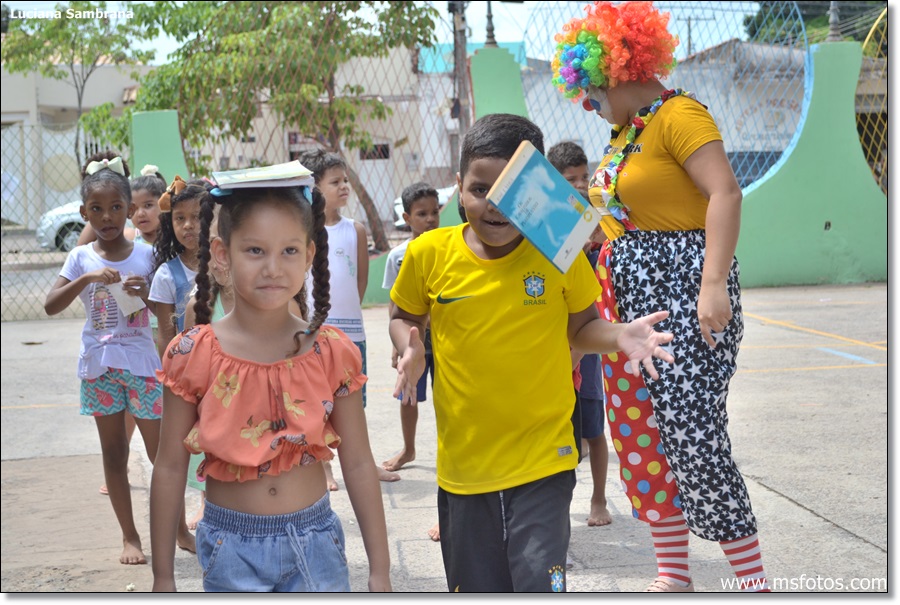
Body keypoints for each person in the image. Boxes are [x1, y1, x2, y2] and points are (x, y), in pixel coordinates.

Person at [388, 113, 674, 592]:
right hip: (465, 468)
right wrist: (409, 347)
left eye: (510, 191)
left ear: (537, 189)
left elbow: (582, 327)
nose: (494, 205)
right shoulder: (428, 254)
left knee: (543, 582)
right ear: (458, 186)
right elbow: (403, 316)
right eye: (480, 189)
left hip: (546, 460)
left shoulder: (559, 250)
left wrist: (619, 335)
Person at [552, 1, 770, 592]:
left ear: (615, 71)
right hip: (626, 292)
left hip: (683, 287)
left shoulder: (680, 115)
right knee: (639, 433)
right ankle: (674, 572)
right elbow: (623, 216)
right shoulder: (626, 134)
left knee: (694, 432)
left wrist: (713, 284)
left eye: (591, 94)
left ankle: (752, 581)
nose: (589, 105)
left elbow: (725, 192)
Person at [149, 181, 391, 593]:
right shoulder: (192, 353)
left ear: (310, 255)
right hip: (231, 548)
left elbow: (357, 463)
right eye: (255, 250)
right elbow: (170, 466)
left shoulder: (332, 352)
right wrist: (163, 577)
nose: (273, 268)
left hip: (316, 544)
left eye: (289, 250)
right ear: (222, 254)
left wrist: (380, 570)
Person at [43, 152, 194, 564]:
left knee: (162, 454)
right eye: (96, 209)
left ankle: (179, 529)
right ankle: (130, 537)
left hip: (143, 366)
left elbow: (164, 310)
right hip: (100, 367)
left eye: (115, 208)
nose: (106, 217)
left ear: (128, 210)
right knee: (114, 454)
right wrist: (87, 278)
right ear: (83, 213)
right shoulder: (81, 258)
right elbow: (51, 305)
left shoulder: (147, 256)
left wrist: (145, 292)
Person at [300, 149, 400, 486]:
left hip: (350, 334)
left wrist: (347, 324)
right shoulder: (304, 231)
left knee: (353, 404)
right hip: (315, 330)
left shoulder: (355, 230)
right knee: (317, 403)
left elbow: (359, 282)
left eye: (345, 180)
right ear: (315, 187)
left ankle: (363, 464)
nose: (344, 186)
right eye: (335, 182)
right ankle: (324, 466)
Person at [547, 141, 612, 528]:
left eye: (584, 177)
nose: (580, 185)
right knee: (562, 435)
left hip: (584, 344)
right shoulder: (547, 229)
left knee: (593, 427)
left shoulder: (597, 223)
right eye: (570, 179)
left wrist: (596, 236)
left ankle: (599, 498)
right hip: (553, 345)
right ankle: (557, 508)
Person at [96, 165, 167, 496]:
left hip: (164, 336)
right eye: (134, 207)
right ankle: (118, 465)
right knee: (125, 409)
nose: (141, 214)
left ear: (164, 206)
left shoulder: (170, 245)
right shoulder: (125, 243)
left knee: (162, 412)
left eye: (149, 205)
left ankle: (181, 479)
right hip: (134, 341)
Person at [380, 181, 442, 541]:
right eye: (422, 214)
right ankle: (409, 448)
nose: (430, 219)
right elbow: (395, 302)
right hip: (413, 342)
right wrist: (397, 344)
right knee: (409, 396)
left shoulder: (446, 248)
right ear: (407, 217)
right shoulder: (398, 256)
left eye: (434, 212)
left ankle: (448, 451)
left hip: (443, 341)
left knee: (447, 399)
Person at [149, 177, 206, 359]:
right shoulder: (166, 275)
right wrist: (170, 373)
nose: (187, 225)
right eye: (180, 218)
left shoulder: (229, 265)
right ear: (170, 223)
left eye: (196, 216)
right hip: (189, 365)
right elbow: (166, 336)